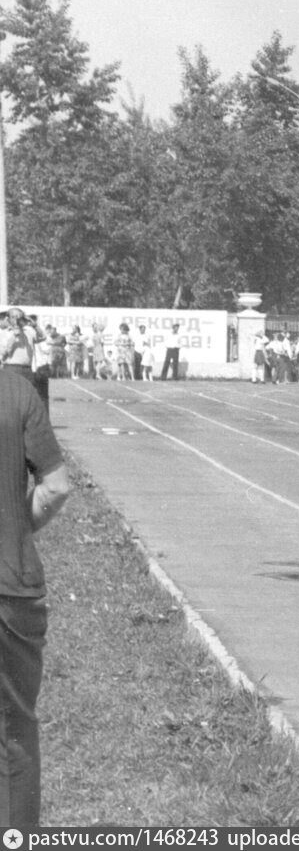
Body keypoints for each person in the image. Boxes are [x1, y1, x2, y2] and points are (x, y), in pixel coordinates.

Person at [1, 353, 71, 826]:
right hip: (11, 583)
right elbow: (56, 487)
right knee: (13, 729)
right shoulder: (17, 391)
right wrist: (16, 528)